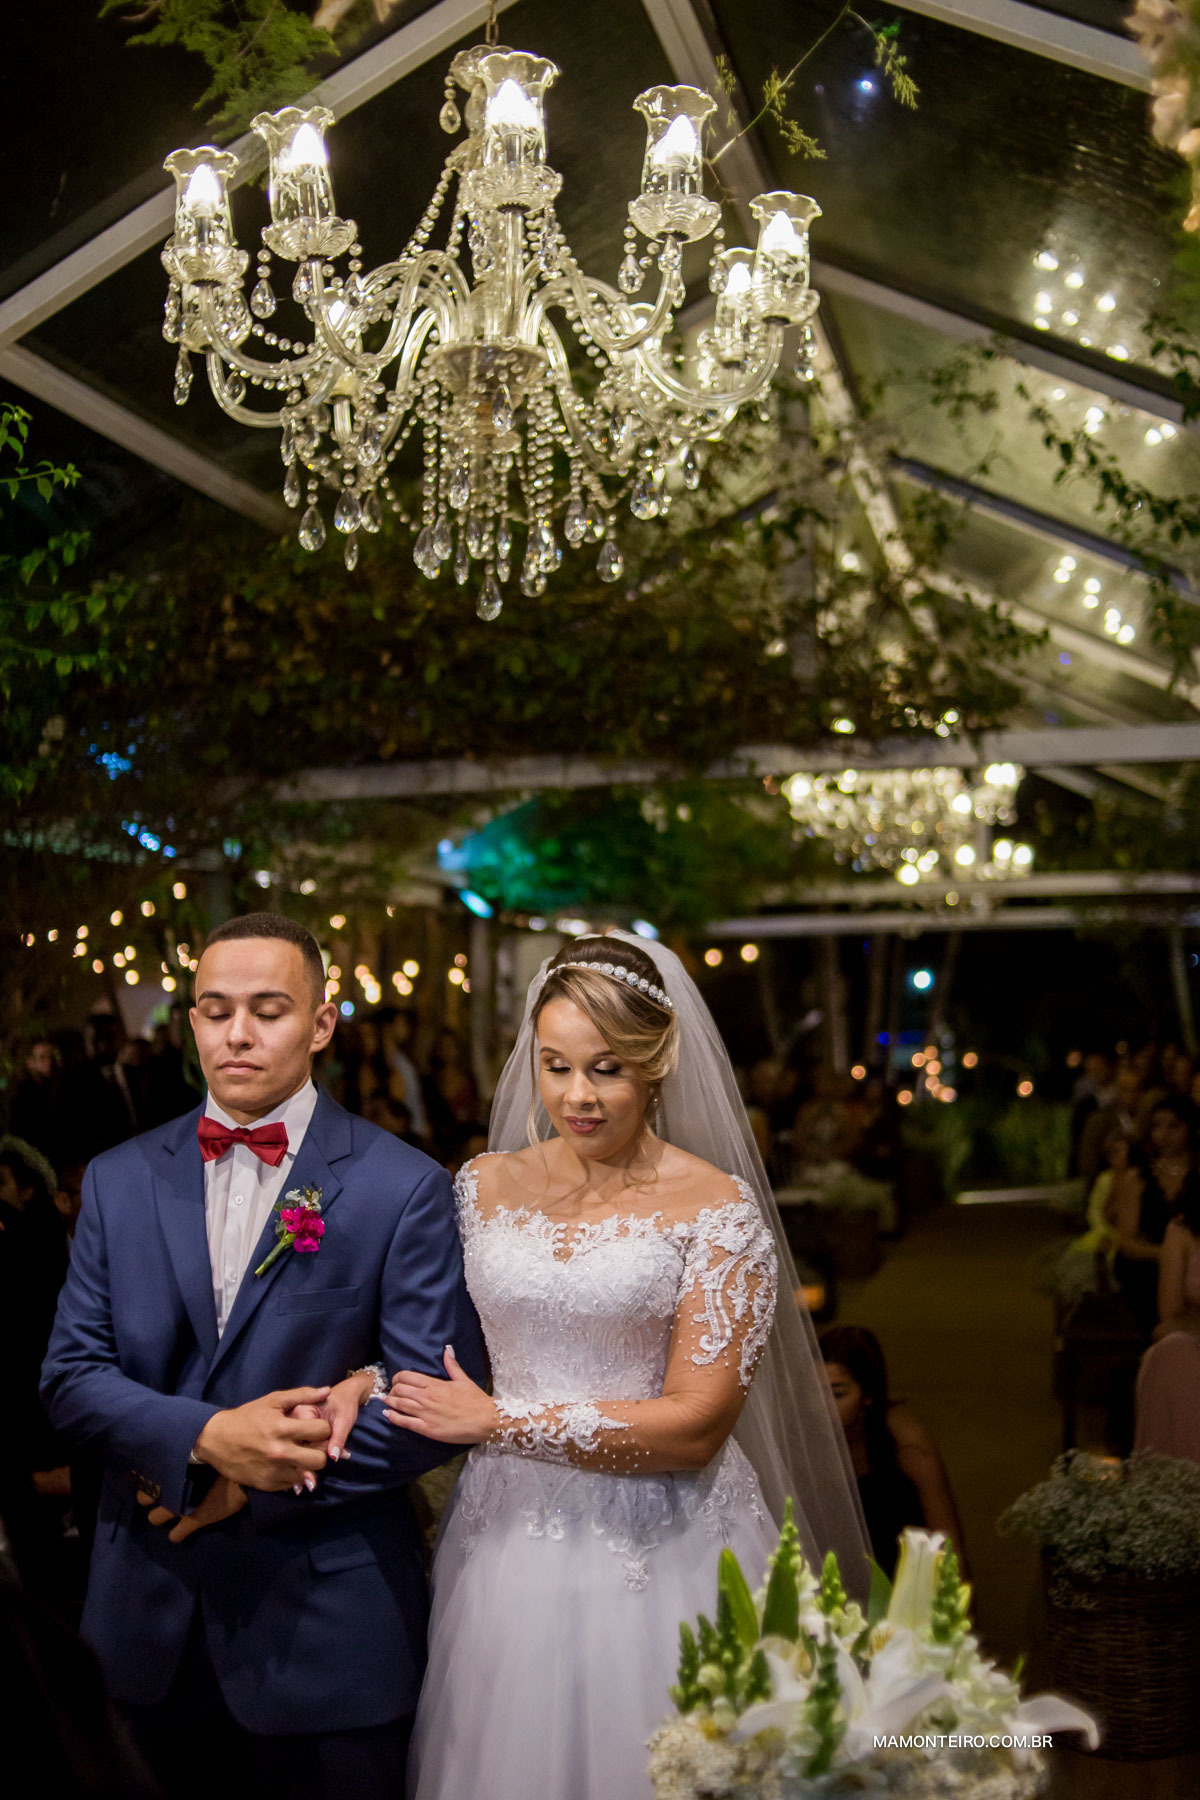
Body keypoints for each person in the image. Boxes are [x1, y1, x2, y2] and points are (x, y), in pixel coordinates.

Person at [338, 931, 867, 1800]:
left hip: (665, 1543)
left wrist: (500, 1421)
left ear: (657, 1065)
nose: (576, 1096)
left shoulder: (717, 1210)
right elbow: (451, 1347)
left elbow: (697, 1426)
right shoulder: (481, 1185)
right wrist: (371, 1378)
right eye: (555, 1066)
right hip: (506, 1543)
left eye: (606, 1070)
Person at [41, 912, 484, 1800]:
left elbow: (431, 1400)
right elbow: (72, 1378)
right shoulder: (119, 1178)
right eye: (215, 1010)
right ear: (191, 1021)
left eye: (268, 1010)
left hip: (328, 1631)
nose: (236, 1033)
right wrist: (207, 1441)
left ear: (321, 1024)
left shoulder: (402, 1186)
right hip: (143, 1623)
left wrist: (257, 1478)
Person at [818, 1324, 966, 1579]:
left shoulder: (906, 1443)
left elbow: (947, 1540)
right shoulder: (797, 1436)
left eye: (837, 1394)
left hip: (902, 1577)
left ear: (868, 1395)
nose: (822, 1406)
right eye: (814, 1391)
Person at [1111, 1094, 1200, 1337]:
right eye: (1157, 1127)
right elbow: (1127, 1241)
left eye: (1173, 1126)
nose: (1163, 1135)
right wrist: (1168, 1256)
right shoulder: (1139, 1178)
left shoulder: (1196, 1176)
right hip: (1148, 1264)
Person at [9, 1035, 61, 1156]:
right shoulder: (23, 1096)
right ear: (30, 1062)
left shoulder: (55, 1087)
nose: (49, 1062)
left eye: (51, 1056)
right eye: (42, 1058)